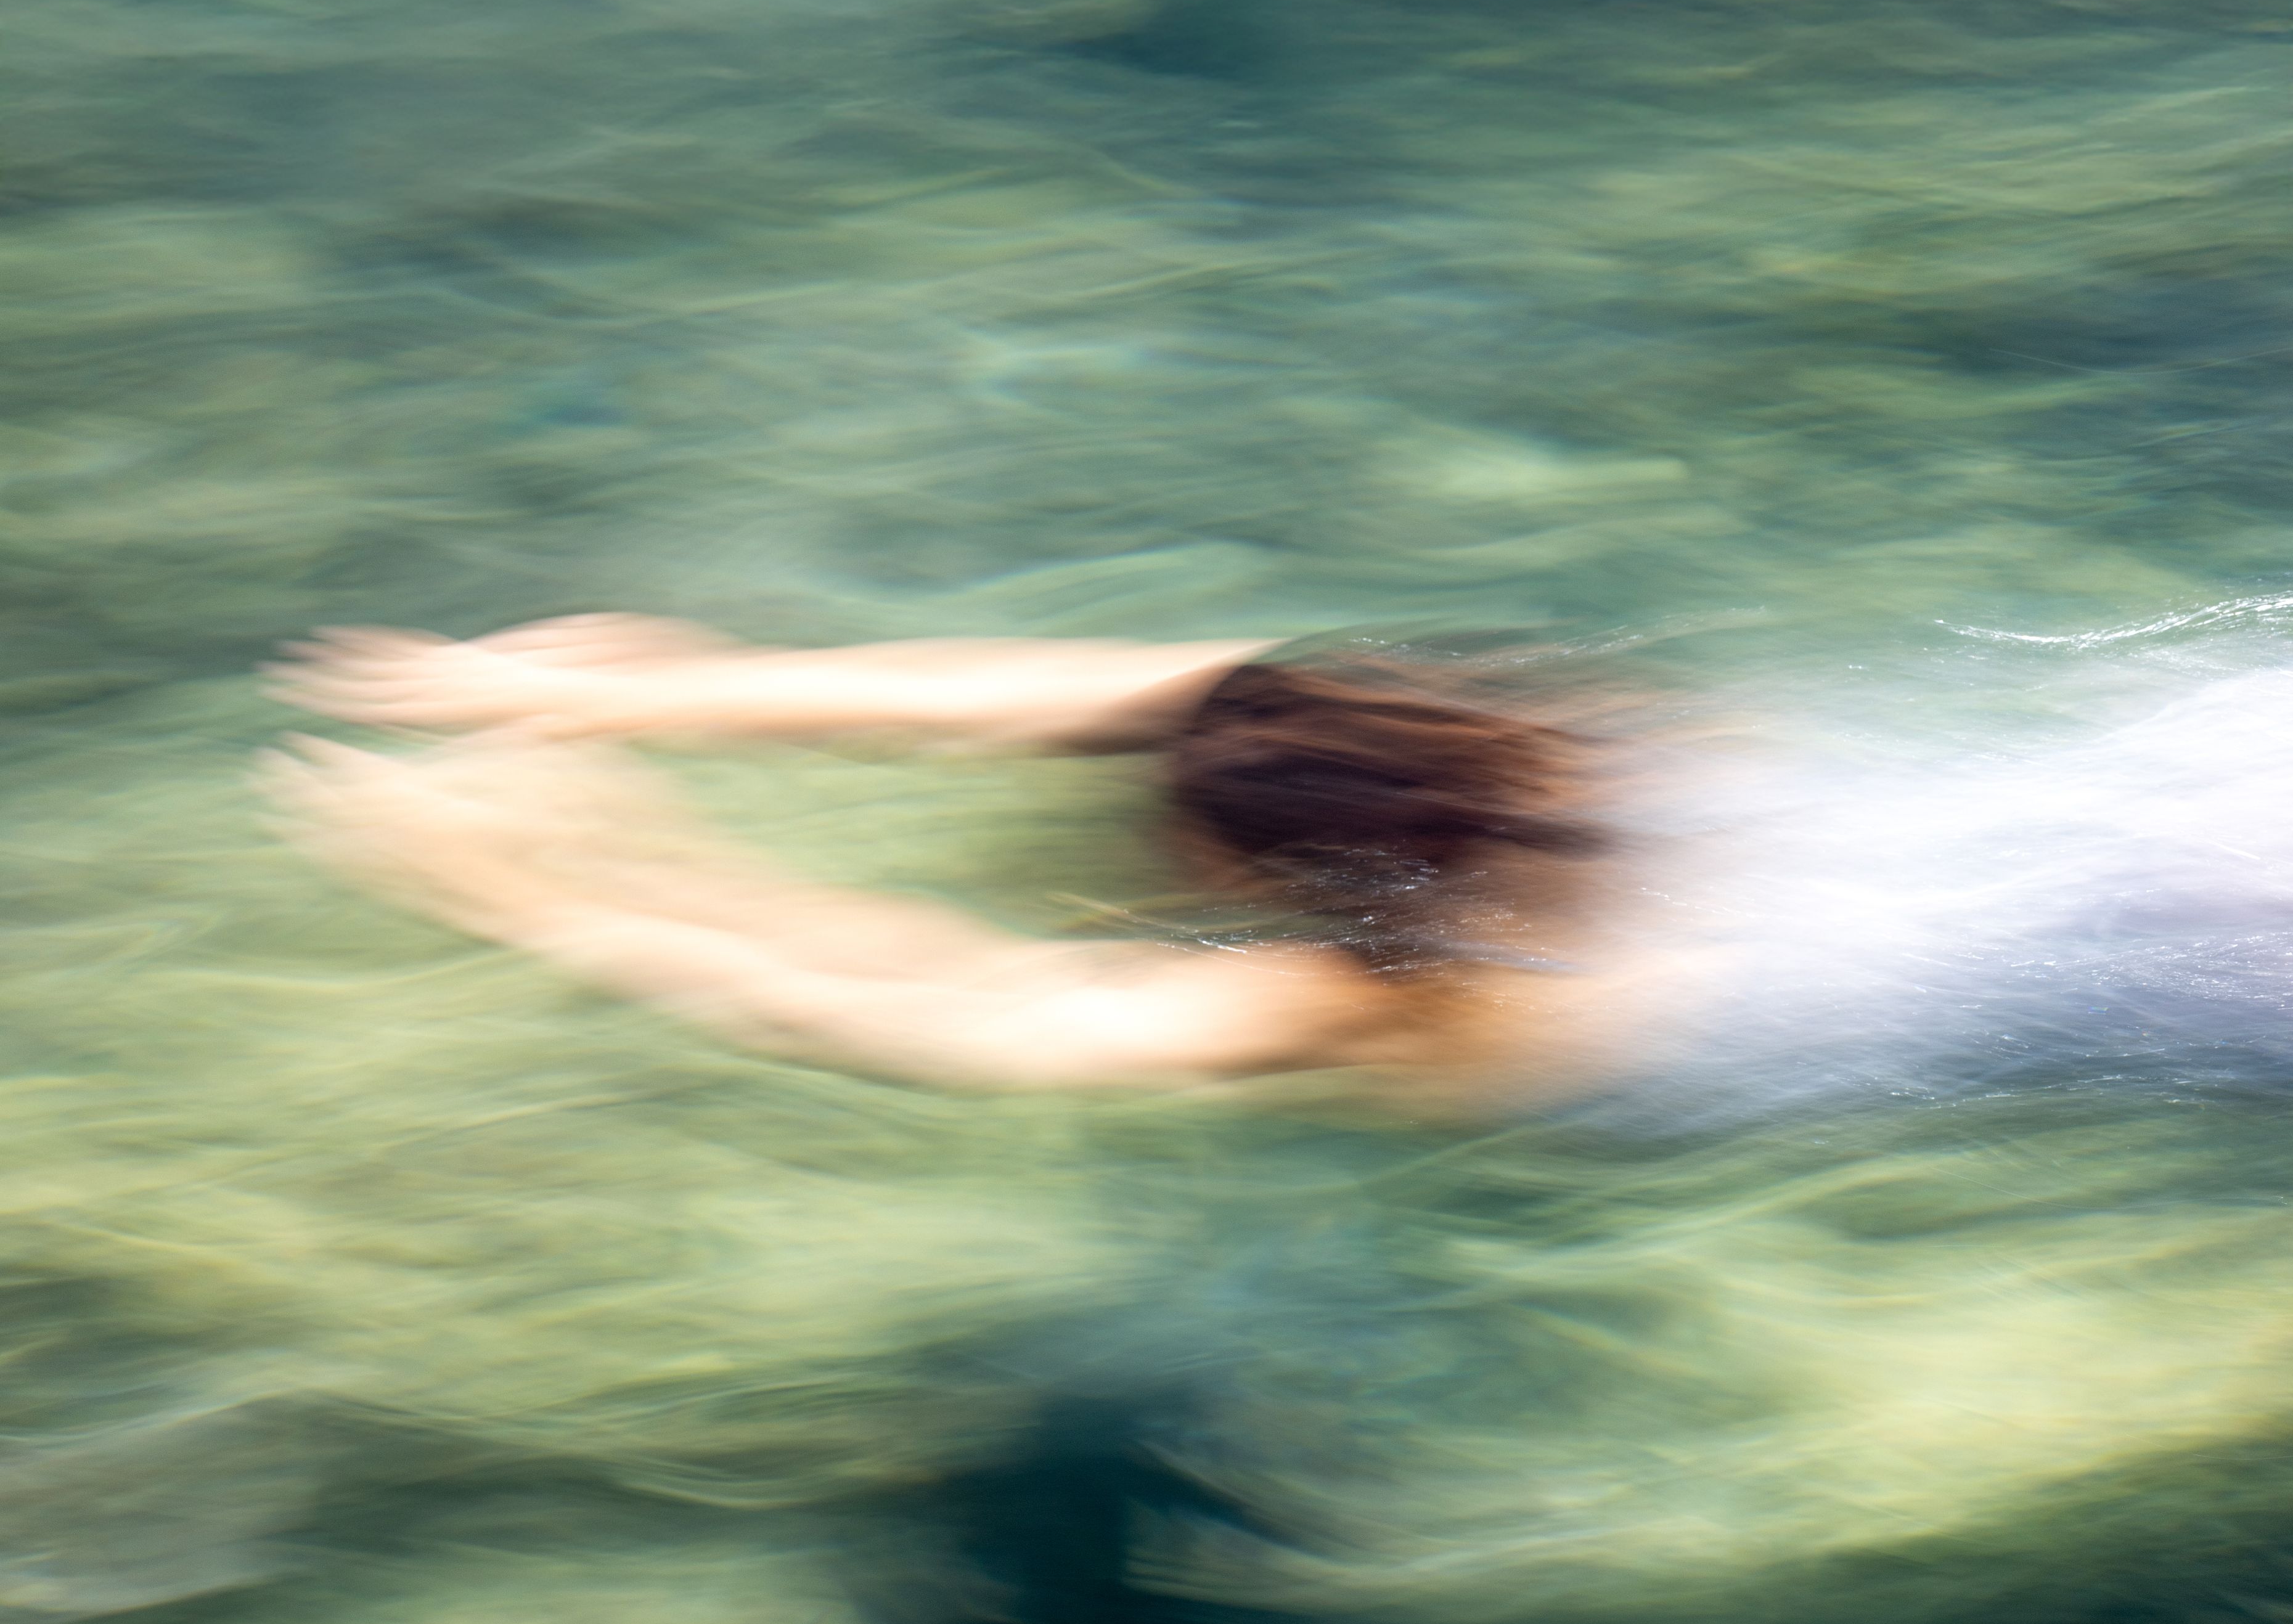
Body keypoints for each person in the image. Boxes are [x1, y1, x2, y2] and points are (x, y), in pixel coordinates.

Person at [260, 617, 1720, 1104]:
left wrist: (531, 895)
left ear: (1263, 880)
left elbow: (960, 1011)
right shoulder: (1556, 741)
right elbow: (1026, 694)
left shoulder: (1392, 1000)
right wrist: (644, 696)